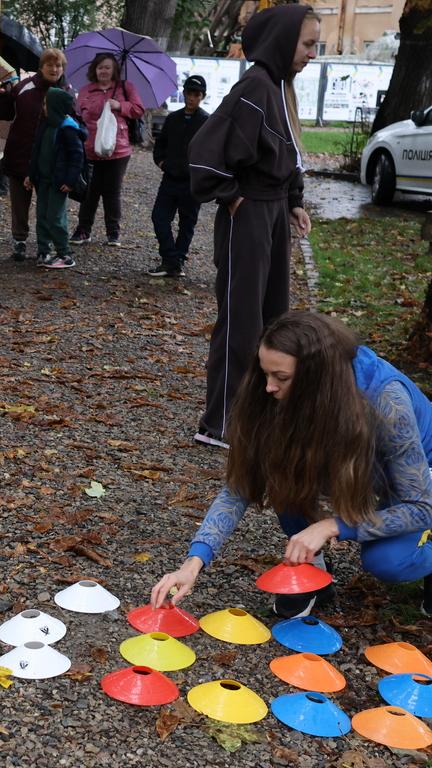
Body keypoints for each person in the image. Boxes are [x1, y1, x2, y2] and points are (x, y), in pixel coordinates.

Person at [149, 311, 432, 620]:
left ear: (317, 377)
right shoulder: (273, 391)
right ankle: (312, 574)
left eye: (281, 378)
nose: (268, 387)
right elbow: (239, 488)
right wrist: (193, 562)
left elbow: (418, 508)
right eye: (264, 373)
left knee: (387, 562)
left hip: (409, 470)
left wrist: (332, 526)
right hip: (343, 452)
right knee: (284, 473)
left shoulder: (387, 403)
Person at [188, 4, 319, 449]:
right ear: (284, 42)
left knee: (272, 319)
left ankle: (257, 417)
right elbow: (204, 152)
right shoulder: (255, 87)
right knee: (241, 322)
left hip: (275, 214)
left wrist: (294, 202)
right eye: (308, 44)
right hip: (249, 218)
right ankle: (221, 422)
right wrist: (231, 194)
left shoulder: (280, 89)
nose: (312, 54)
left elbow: (286, 158)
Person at [0, 48, 68, 261]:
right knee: (20, 203)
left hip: (50, 160)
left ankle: (46, 245)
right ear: (41, 66)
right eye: (50, 65)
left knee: (49, 205)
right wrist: (4, 97)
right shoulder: (23, 87)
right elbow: (5, 114)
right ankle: (19, 240)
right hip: (21, 154)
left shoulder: (66, 93)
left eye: (58, 65)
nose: (54, 69)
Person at [69, 53, 144, 248]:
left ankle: (113, 232)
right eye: (100, 67)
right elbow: (78, 114)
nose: (103, 71)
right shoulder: (86, 90)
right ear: (94, 69)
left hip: (118, 148)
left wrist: (120, 105)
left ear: (114, 70)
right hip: (90, 147)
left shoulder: (125, 88)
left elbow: (138, 109)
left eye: (108, 67)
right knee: (90, 190)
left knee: (112, 190)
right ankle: (83, 229)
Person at [148, 75, 210, 278]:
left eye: (196, 94)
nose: (191, 98)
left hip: (192, 182)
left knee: (187, 222)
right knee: (159, 217)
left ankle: (177, 260)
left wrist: (201, 173)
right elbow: (161, 144)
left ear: (202, 96)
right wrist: (162, 162)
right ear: (183, 94)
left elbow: (212, 151)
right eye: (189, 93)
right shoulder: (172, 119)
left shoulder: (206, 122)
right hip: (170, 178)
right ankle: (171, 258)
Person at [26, 88, 87, 270]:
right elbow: (36, 151)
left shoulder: (68, 128)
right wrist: (31, 174)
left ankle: (64, 253)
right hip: (43, 180)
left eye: (46, 104)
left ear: (55, 106)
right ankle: (44, 250)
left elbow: (77, 157)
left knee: (55, 216)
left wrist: (70, 181)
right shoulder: (46, 124)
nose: (43, 107)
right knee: (42, 215)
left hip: (58, 182)